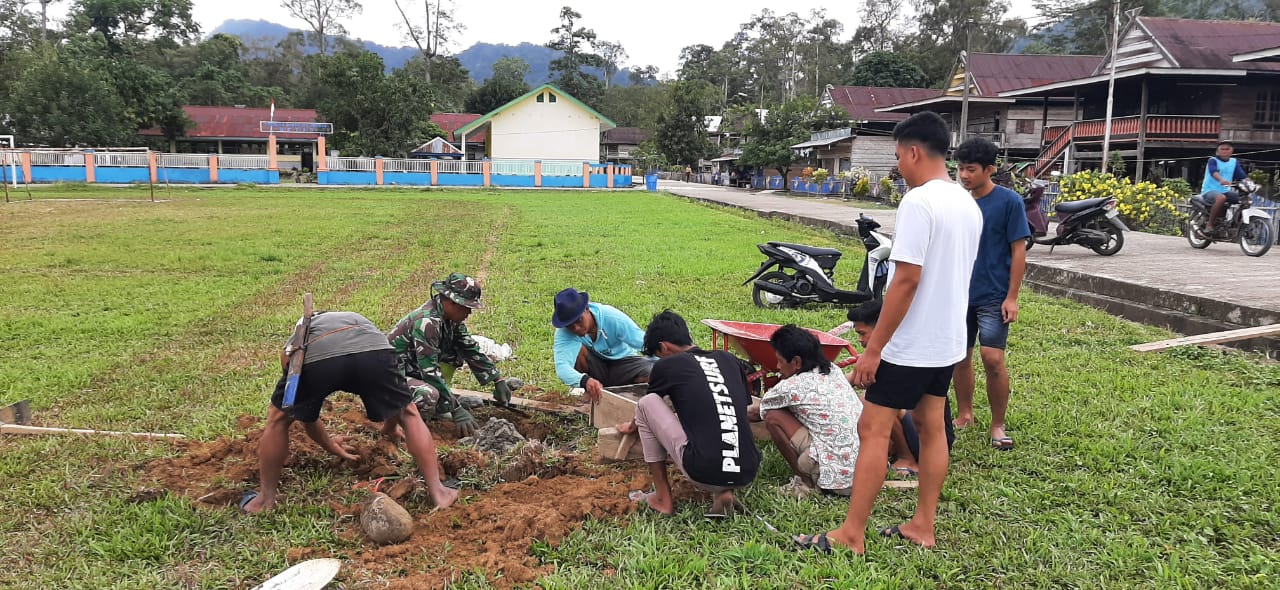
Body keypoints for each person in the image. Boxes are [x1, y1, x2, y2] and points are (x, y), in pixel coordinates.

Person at [795, 111, 980, 554]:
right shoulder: (966, 203)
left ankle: (851, 534)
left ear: (914, 152)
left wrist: (874, 348)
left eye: (898, 157)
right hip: (946, 343)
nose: (898, 166)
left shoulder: (919, 202)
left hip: (910, 345)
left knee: (873, 428)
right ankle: (922, 526)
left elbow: (906, 280)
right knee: (932, 427)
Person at [240, 310, 458, 514]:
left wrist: (328, 445)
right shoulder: (354, 319)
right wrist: (390, 427)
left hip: (321, 358)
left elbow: (304, 412)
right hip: (374, 352)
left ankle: (264, 500)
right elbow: (393, 402)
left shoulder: (297, 340)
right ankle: (439, 492)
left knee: (278, 419)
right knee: (408, 412)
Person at [616, 310, 761, 516]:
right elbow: (738, 410)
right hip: (747, 470)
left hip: (703, 471)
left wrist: (632, 426)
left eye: (658, 355)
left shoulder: (667, 365)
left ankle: (662, 498)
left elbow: (651, 407)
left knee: (646, 404)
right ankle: (724, 491)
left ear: (664, 347)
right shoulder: (729, 360)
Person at [951, 137, 1030, 451]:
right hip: (959, 294)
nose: (964, 175)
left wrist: (1012, 297)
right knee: (960, 356)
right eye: (960, 168)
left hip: (994, 295)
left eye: (971, 169)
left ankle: (998, 424)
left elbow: (1018, 251)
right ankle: (965, 414)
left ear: (990, 170)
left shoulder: (1009, 202)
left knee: (992, 358)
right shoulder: (958, 203)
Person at [388, 273, 520, 437]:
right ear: (451, 302)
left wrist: (497, 379)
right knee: (428, 396)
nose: (469, 312)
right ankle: (402, 423)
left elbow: (469, 348)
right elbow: (429, 371)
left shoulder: (450, 319)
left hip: (411, 370)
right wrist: (456, 409)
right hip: (390, 379)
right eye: (466, 307)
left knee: (455, 352)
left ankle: (440, 405)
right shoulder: (427, 322)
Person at [748, 325, 861, 496]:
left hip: (837, 481)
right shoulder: (833, 370)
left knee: (773, 416)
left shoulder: (791, 387)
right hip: (863, 475)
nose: (778, 366)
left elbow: (754, 413)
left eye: (780, 361)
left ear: (796, 362)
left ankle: (805, 483)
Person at [847, 300, 956, 475]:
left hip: (927, 439)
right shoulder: (895, 350)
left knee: (873, 402)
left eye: (862, 333)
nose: (860, 339)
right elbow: (851, 378)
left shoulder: (896, 359)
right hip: (930, 434)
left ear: (881, 329)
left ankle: (908, 458)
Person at [551, 288, 653, 403]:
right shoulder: (564, 332)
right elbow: (562, 367)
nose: (576, 328)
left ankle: (628, 394)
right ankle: (591, 390)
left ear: (587, 309)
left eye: (579, 320)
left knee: (655, 373)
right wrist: (584, 380)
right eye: (570, 325)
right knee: (576, 351)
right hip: (595, 369)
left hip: (625, 363)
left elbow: (647, 344)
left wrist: (664, 365)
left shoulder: (613, 318)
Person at [1201, 141, 1248, 232]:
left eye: (1227, 149)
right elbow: (1214, 172)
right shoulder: (1212, 160)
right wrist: (1221, 180)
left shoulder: (1234, 162)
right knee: (1221, 198)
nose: (1224, 151)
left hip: (1225, 190)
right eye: (1222, 149)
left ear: (1231, 151)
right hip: (1209, 190)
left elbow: (1241, 175)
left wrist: (1251, 184)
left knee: (1244, 199)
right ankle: (1209, 224)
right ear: (1217, 151)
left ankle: (1235, 224)